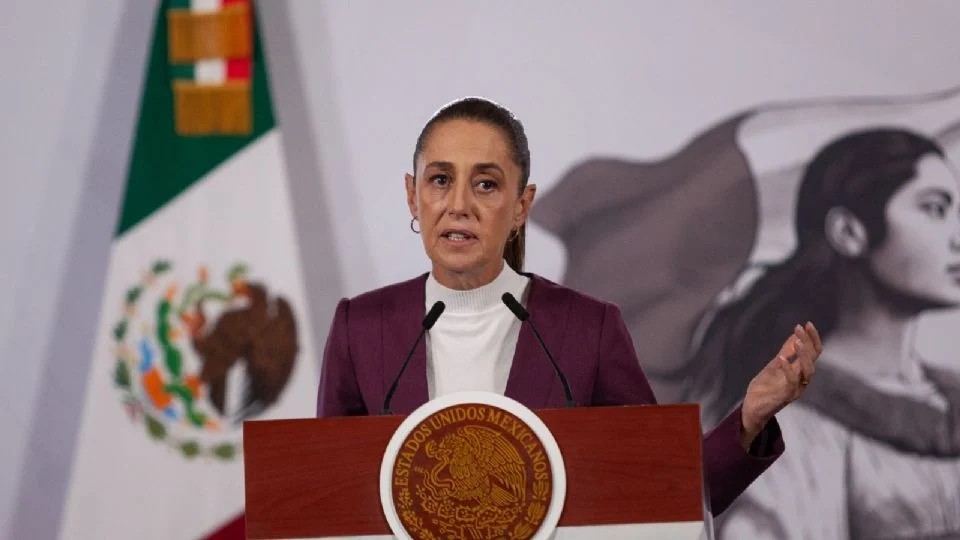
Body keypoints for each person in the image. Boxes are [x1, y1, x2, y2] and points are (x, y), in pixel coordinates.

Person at [316, 97, 822, 516]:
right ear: (413, 196)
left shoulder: (585, 329)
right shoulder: (361, 328)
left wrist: (748, 419)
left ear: (521, 206)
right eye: (440, 180)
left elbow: (664, 494)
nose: (459, 205)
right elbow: (322, 502)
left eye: (486, 183)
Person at [687, 128, 960, 538]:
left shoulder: (945, 397)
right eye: (935, 209)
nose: (957, 236)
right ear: (849, 232)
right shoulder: (790, 424)